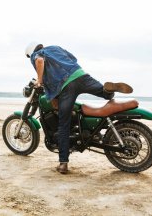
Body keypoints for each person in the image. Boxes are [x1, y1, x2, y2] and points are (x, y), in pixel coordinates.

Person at [25, 42, 133, 174]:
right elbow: (73, 58)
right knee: (104, 93)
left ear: (30, 53)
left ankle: (63, 163)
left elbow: (40, 61)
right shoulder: (56, 48)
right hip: (79, 74)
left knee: (63, 124)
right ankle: (107, 90)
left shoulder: (37, 55)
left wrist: (39, 81)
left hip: (66, 86)